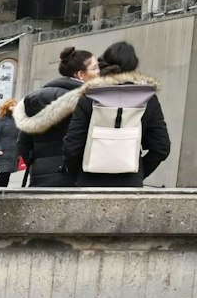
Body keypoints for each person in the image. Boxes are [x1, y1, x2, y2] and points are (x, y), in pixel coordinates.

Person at [60, 40, 173, 187]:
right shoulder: (148, 99)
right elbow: (161, 147)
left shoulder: (90, 96)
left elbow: (72, 147)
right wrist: (139, 172)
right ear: (134, 66)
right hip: (130, 183)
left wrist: (79, 175)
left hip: (89, 181)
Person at [14, 46, 96, 188]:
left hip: (39, 175)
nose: (100, 73)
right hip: (72, 176)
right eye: (95, 68)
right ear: (80, 74)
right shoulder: (84, 100)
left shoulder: (34, 98)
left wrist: (37, 164)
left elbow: (22, 142)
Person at [0, 99, 22, 187]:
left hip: (13, 151)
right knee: (4, 171)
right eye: (12, 105)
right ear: (7, 107)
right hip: (3, 151)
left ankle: (2, 189)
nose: (15, 107)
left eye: (16, 105)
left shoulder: (16, 119)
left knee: (7, 173)